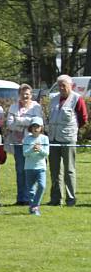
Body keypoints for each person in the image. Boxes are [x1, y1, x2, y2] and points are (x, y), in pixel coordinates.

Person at [47, 74, 88, 206]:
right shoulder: (53, 99)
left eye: (64, 85)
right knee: (54, 170)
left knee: (69, 170)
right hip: (53, 138)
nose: (61, 88)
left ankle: (71, 199)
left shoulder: (77, 99)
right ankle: (55, 199)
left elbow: (83, 119)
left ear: (71, 85)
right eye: (59, 85)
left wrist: (72, 130)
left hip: (68, 139)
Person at [5, 84, 43, 205]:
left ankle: (31, 197)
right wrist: (28, 123)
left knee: (32, 170)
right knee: (20, 170)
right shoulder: (13, 107)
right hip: (18, 143)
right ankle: (21, 197)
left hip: (32, 143)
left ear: (31, 95)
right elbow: (10, 124)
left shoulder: (36, 107)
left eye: (27, 94)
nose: (25, 96)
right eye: (22, 94)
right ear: (19, 95)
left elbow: (37, 124)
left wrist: (19, 121)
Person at [22, 116, 49, 216]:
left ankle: (34, 206)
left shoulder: (45, 138)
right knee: (31, 190)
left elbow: (46, 153)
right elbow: (25, 153)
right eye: (33, 126)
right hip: (29, 167)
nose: (35, 128)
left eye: (38, 126)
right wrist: (32, 149)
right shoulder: (27, 139)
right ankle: (34, 208)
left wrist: (40, 149)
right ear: (30, 128)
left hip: (41, 167)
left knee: (42, 186)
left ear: (41, 128)